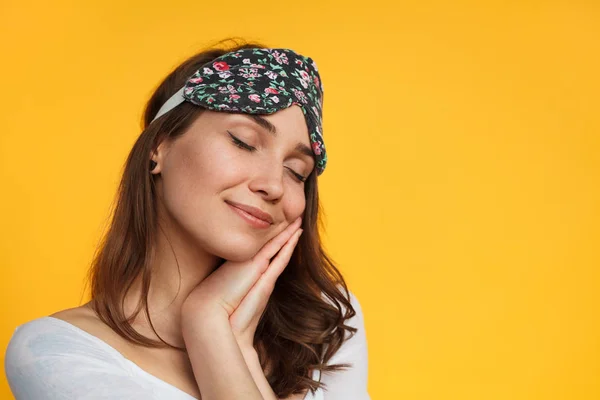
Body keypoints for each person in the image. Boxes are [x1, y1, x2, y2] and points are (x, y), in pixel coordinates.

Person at [4, 38, 369, 400]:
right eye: (243, 141)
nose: (273, 185)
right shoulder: (56, 351)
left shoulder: (327, 326)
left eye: (296, 171)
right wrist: (210, 328)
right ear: (158, 147)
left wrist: (217, 331)